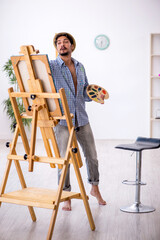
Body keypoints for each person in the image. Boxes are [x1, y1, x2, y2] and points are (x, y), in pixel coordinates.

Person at [50, 32, 106, 211]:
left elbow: (83, 91)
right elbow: (37, 73)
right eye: (59, 43)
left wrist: (94, 96)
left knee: (92, 156)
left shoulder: (80, 67)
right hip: (63, 121)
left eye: (66, 42)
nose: (62, 45)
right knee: (63, 160)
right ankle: (66, 196)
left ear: (72, 46)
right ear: (56, 47)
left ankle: (95, 188)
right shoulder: (51, 67)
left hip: (81, 118)